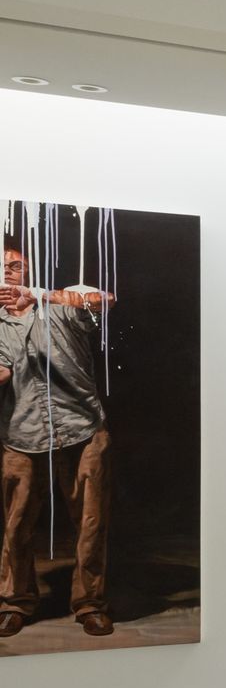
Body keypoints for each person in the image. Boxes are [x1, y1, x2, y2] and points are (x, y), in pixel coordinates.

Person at [0, 242, 115, 638]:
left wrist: (39, 295)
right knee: (16, 525)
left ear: (29, 269)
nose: (9, 271)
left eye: (16, 265)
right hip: (22, 435)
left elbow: (105, 300)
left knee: (90, 521)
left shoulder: (61, 303)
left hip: (82, 430)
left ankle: (90, 604)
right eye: (3, 267)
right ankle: (15, 601)